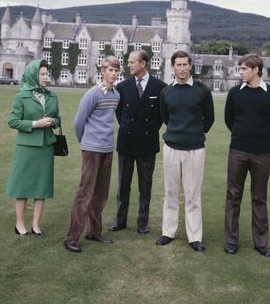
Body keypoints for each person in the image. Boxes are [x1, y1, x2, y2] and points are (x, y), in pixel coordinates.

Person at [223, 53, 270, 257]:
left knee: (259, 198)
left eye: (244, 69)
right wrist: (242, 136)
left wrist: (265, 140)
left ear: (256, 70)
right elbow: (229, 120)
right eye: (240, 69)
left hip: (262, 154)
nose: (240, 73)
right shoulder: (234, 93)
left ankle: (260, 243)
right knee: (233, 196)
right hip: (238, 150)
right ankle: (231, 241)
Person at [156, 50, 214, 252]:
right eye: (177, 65)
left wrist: (194, 133)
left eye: (184, 65)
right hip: (171, 147)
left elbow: (209, 119)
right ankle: (168, 232)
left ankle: (194, 236)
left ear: (190, 66)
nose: (181, 68)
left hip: (195, 149)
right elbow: (165, 118)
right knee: (170, 193)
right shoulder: (166, 92)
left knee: (192, 195)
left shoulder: (202, 91)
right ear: (172, 67)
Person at [64, 56, 120, 253]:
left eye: (116, 70)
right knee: (84, 194)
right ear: (102, 71)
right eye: (110, 70)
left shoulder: (116, 95)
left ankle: (94, 231)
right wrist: (86, 143)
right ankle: (71, 238)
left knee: (101, 195)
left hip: (107, 150)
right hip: (91, 150)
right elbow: (79, 122)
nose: (113, 74)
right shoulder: (92, 94)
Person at [108, 50, 167, 234]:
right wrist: (128, 128)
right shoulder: (123, 86)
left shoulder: (160, 87)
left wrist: (147, 131)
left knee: (145, 186)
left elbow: (160, 116)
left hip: (148, 143)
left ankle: (142, 222)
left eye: (132, 62)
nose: (128, 65)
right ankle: (120, 220)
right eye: (128, 62)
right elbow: (120, 114)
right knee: (123, 185)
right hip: (126, 141)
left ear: (143, 64)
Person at [6, 59, 61, 237]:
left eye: (47, 73)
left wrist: (53, 121)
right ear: (33, 75)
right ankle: (19, 224)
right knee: (22, 187)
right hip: (26, 148)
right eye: (42, 74)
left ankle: (36, 225)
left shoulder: (52, 96)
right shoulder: (21, 96)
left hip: (46, 147)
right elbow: (12, 121)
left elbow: (58, 118)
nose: (46, 77)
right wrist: (35, 123)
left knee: (41, 187)